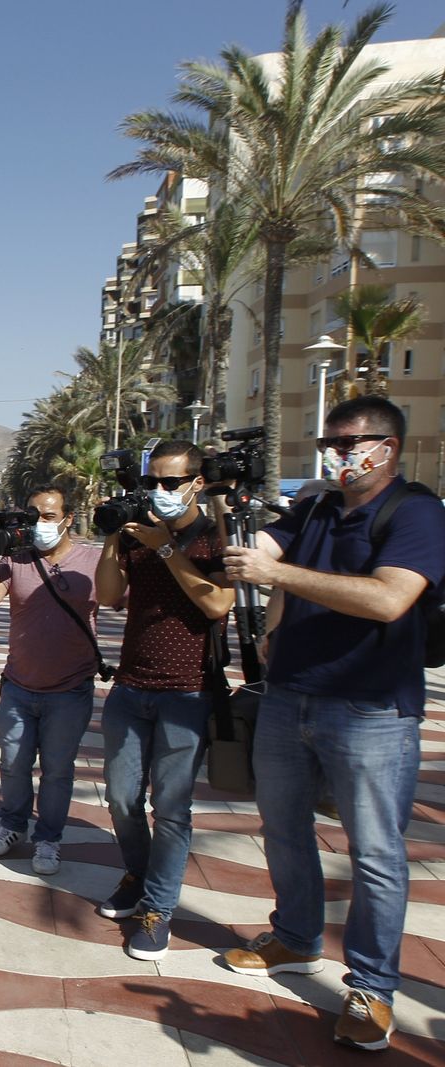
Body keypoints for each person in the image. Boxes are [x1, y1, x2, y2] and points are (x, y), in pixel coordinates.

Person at [218, 397, 445, 1051]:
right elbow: (256, 549)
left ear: (390, 446)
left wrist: (278, 574)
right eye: (332, 443)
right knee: (282, 829)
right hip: (290, 698)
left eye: (354, 443)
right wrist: (208, 508)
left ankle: (371, 989)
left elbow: (389, 597)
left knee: (375, 855)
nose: (341, 455)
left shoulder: (417, 512)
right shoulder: (316, 505)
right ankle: (295, 935)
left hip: (370, 708)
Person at [93, 440, 233, 962]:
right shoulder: (139, 531)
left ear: (196, 482)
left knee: (171, 808)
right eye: (152, 482)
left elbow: (218, 604)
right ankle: (139, 871)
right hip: (131, 686)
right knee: (121, 797)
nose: (158, 491)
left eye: (169, 483)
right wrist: (115, 535)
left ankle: (158, 907)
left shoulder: (211, 536)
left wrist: (166, 547)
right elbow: (108, 596)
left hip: (187, 691)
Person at [0, 484, 101, 876]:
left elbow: (121, 597)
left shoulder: (92, 561)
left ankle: (48, 839)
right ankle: (12, 825)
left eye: (47, 516)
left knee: (58, 771)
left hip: (70, 689)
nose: (39, 524)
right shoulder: (18, 559)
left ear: (67, 519)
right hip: (18, 685)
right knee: (13, 764)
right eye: (33, 515)